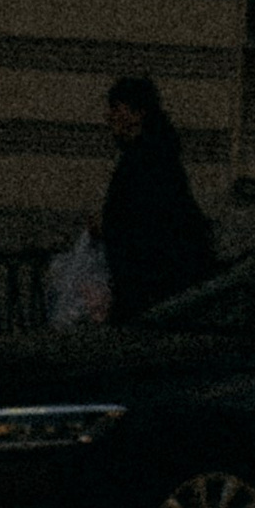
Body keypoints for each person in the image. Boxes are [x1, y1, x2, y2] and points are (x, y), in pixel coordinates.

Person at [100, 74, 216, 324]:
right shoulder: (155, 156)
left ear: (138, 113)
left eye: (116, 108)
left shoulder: (146, 162)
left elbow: (145, 223)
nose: (109, 116)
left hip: (149, 290)